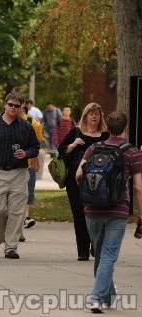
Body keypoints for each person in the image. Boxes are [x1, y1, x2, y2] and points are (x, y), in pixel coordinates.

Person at [75, 112, 142, 313]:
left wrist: (90, 195)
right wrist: (140, 215)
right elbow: (138, 187)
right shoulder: (133, 153)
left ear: (107, 127)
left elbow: (79, 173)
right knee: (109, 254)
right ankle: (95, 297)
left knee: (102, 255)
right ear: (125, 128)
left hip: (92, 210)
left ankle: (108, 295)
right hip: (117, 210)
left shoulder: (94, 148)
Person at [0, 91, 40, 259]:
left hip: (19, 173)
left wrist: (26, 153)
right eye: (11, 105)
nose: (13, 108)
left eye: (17, 106)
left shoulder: (26, 126)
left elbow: (35, 147)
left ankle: (11, 247)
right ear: (5, 105)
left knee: (16, 212)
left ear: (22, 108)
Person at [58, 102, 109, 261]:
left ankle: (95, 243)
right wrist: (73, 145)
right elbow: (61, 149)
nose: (94, 116)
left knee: (97, 214)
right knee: (79, 214)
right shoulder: (76, 132)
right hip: (76, 180)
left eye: (97, 113)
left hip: (99, 181)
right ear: (85, 115)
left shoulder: (105, 136)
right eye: (91, 113)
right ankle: (82, 251)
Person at [18, 105, 44, 241]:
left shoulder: (32, 123)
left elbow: (36, 144)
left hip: (28, 166)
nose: (16, 108)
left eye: (19, 106)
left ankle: (24, 221)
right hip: (10, 168)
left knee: (26, 194)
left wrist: (35, 162)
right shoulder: (3, 121)